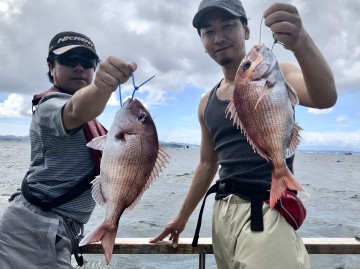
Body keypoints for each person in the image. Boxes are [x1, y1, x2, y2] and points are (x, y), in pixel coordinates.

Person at [150, 0, 337, 268]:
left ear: (247, 31)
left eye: (228, 26)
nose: (219, 37)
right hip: (222, 214)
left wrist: (301, 42)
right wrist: (181, 217)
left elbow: (325, 97)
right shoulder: (206, 102)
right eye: (208, 31)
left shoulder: (275, 74)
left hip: (265, 210)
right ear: (202, 43)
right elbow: (206, 163)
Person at [0, 31, 136, 268]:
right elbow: (75, 111)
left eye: (87, 62)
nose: (79, 67)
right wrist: (103, 86)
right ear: (51, 67)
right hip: (33, 227)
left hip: (54, 231)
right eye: (69, 60)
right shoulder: (49, 107)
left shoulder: (98, 127)